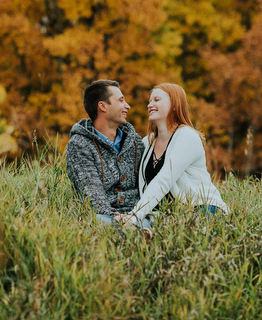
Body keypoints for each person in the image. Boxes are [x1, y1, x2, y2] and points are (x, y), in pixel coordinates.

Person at [119, 83, 228, 228]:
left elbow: (164, 179)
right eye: (149, 101)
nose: (150, 104)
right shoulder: (147, 142)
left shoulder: (186, 136)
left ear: (175, 105)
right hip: (166, 216)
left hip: (203, 208)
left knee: (187, 236)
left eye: (157, 100)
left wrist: (135, 215)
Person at [66, 80, 147, 226]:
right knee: (101, 223)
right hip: (101, 216)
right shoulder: (79, 145)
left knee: (147, 224)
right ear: (102, 106)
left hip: (136, 215)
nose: (127, 106)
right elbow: (91, 193)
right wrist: (117, 219)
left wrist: (133, 217)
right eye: (121, 100)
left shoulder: (135, 141)